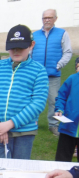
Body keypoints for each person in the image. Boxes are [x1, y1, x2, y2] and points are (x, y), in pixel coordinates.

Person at [0, 25, 49, 159]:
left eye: (21, 47)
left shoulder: (39, 71)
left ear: (31, 45)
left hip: (24, 133)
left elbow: (38, 103)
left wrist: (10, 124)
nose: (16, 51)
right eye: (13, 47)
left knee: (19, 171)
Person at [31, 9, 72, 137]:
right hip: (36, 75)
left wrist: (59, 65)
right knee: (33, 99)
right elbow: (29, 52)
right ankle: (32, 123)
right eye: (44, 18)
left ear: (55, 18)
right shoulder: (35, 35)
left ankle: (53, 125)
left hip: (53, 75)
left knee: (54, 100)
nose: (47, 20)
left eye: (49, 17)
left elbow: (68, 52)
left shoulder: (62, 33)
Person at [54, 61, 79, 162]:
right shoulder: (72, 79)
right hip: (68, 127)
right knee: (61, 161)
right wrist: (60, 109)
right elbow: (61, 96)